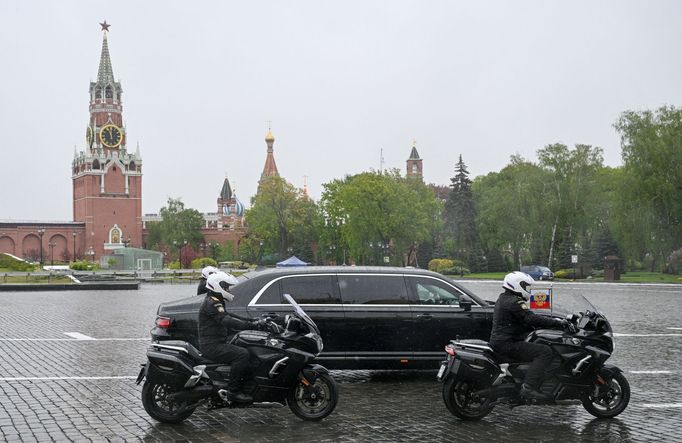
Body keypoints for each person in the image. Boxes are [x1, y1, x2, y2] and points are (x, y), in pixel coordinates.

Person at [489, 271, 569, 400]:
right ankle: (529, 387)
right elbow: (530, 318)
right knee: (545, 351)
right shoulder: (514, 302)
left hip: (502, 341)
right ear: (517, 285)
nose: (528, 290)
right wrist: (558, 323)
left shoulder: (504, 298)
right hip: (507, 343)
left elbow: (523, 320)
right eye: (526, 286)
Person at [198, 271, 266, 402]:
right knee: (242, 354)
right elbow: (227, 321)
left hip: (216, 341)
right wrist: (251, 326)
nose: (228, 290)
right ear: (218, 286)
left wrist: (252, 321)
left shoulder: (215, 300)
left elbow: (230, 316)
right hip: (211, 345)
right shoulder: (212, 303)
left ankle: (248, 384)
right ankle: (233, 391)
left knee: (244, 345)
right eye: (226, 287)